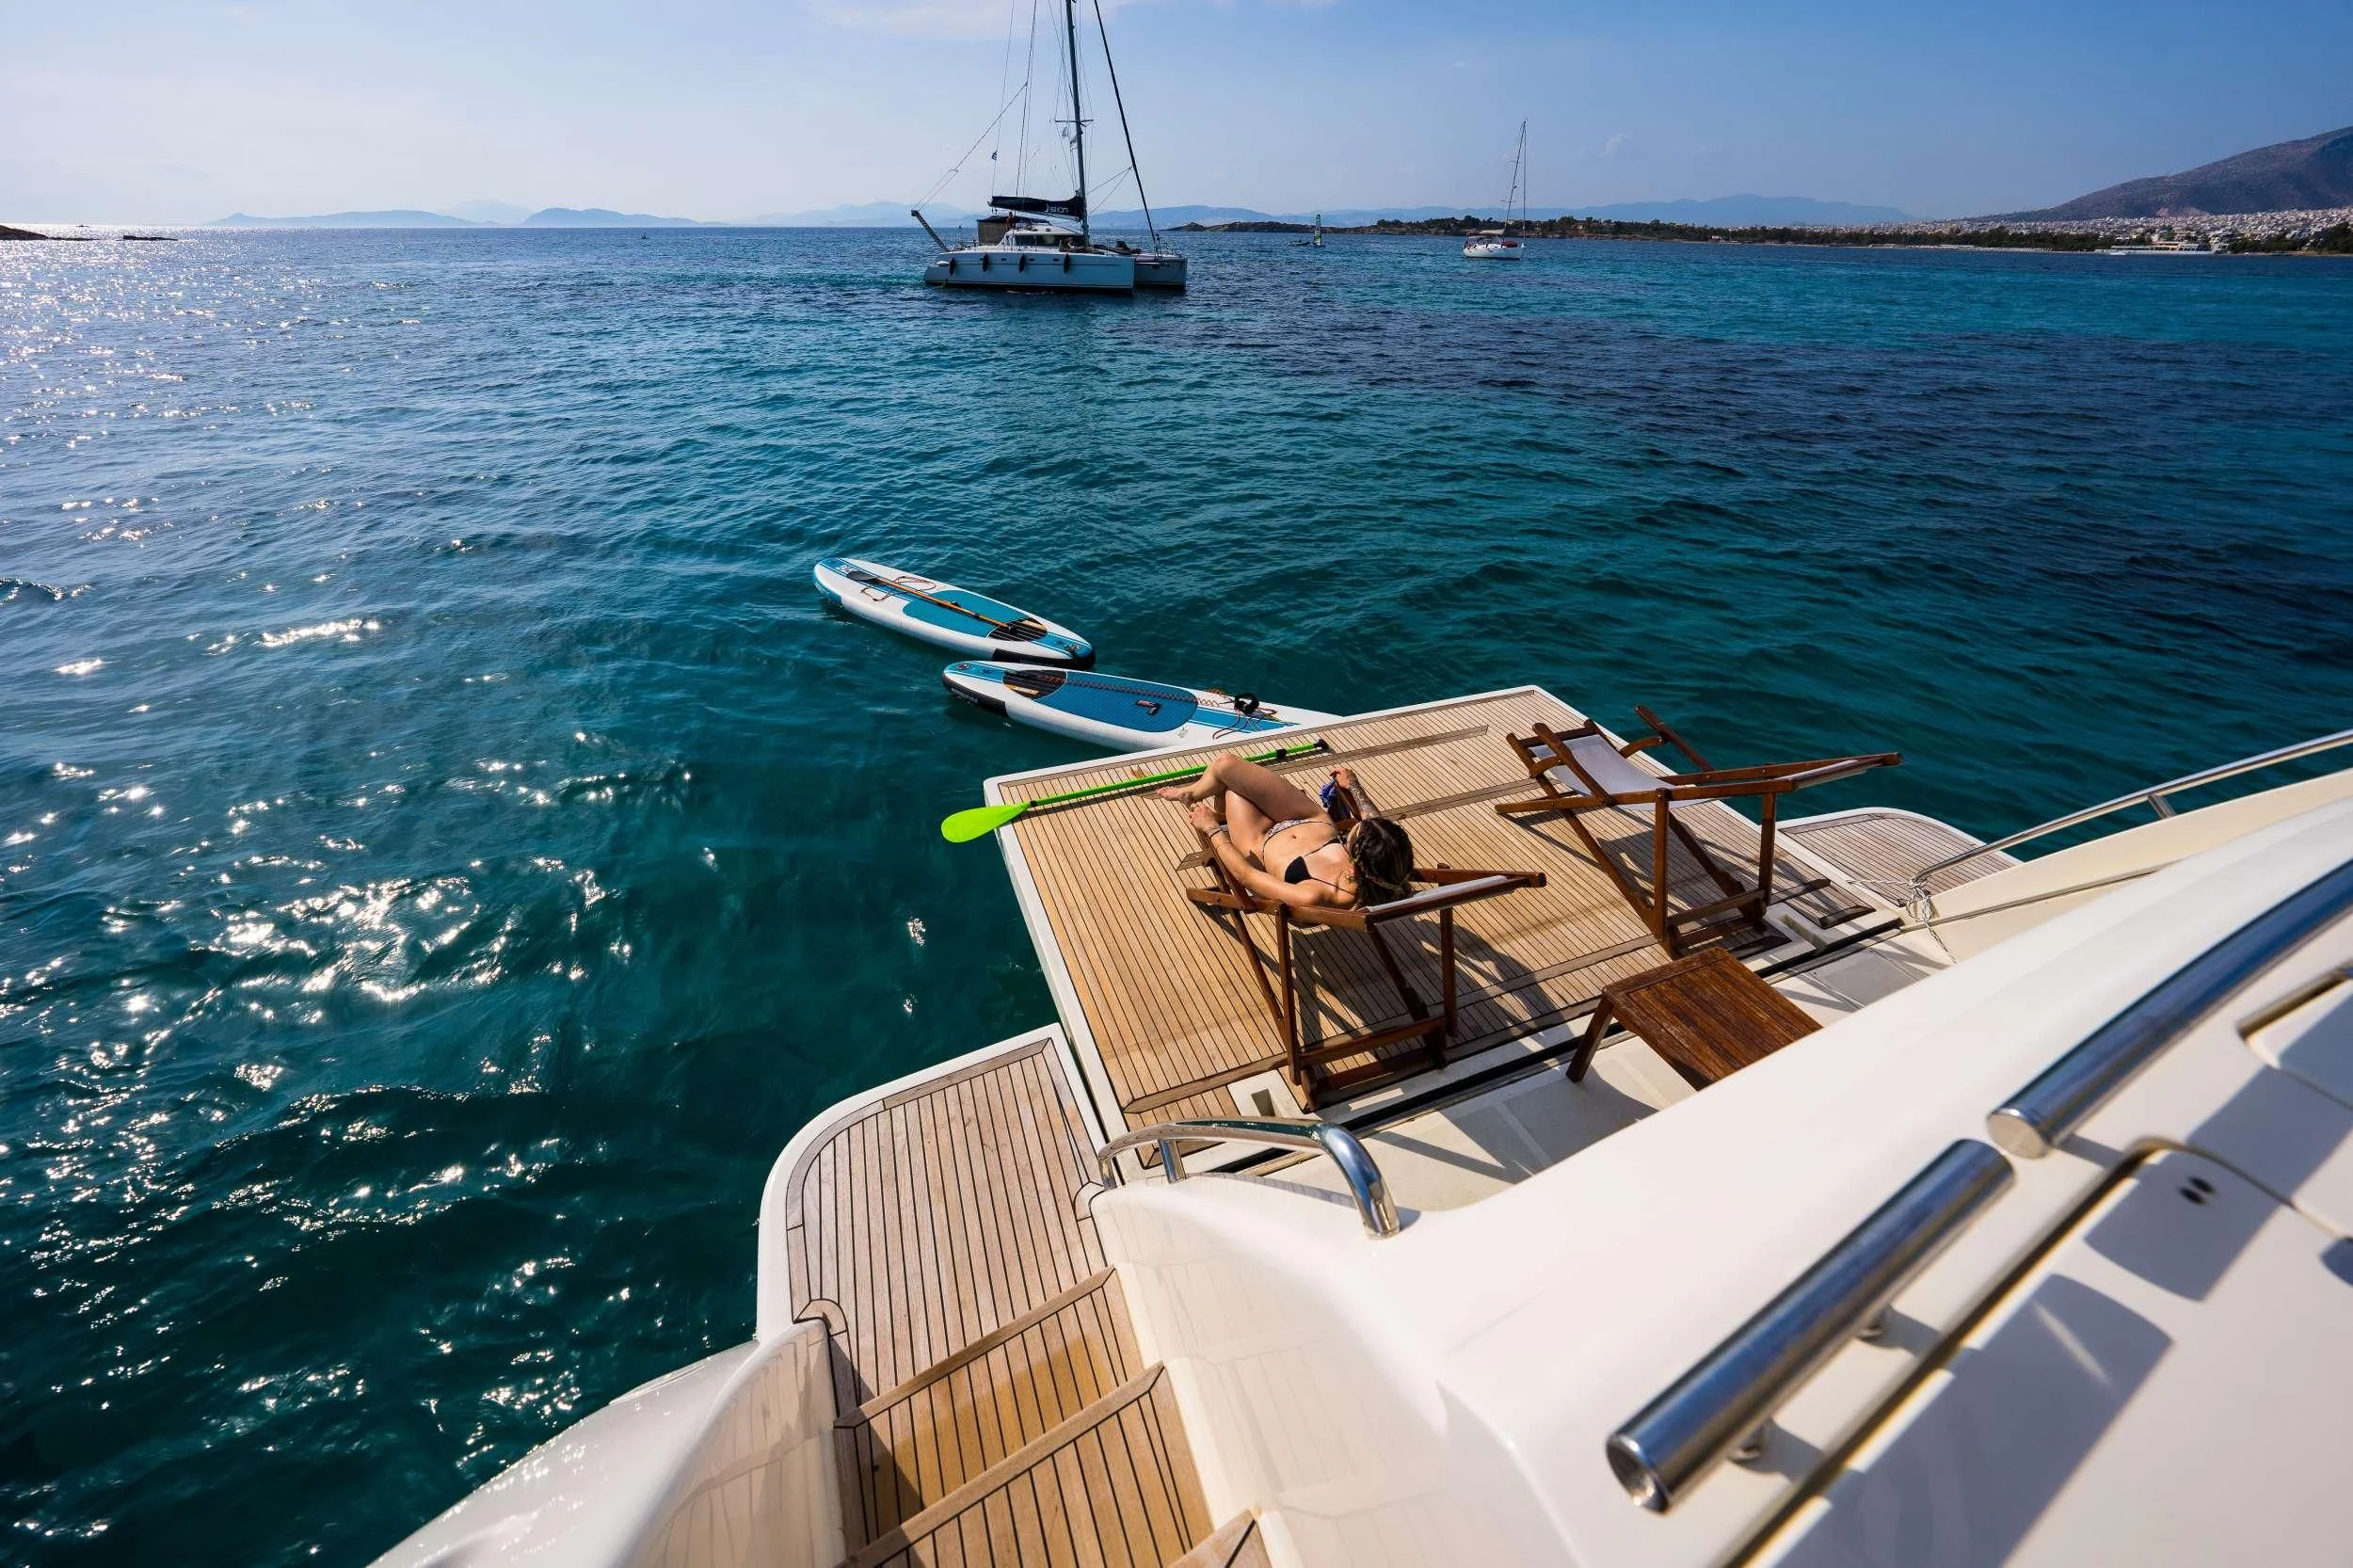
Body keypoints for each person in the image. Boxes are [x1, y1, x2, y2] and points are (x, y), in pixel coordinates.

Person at [1158, 753, 1416, 910]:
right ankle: (1192, 792)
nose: (1363, 821)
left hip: (1260, 839)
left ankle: (1194, 793)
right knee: (1226, 765)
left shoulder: (1316, 894)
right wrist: (1354, 787)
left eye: (1356, 831)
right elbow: (1375, 823)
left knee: (1233, 787)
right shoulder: (1386, 861)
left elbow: (1246, 875)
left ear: (1358, 861)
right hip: (1306, 816)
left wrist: (1213, 829)